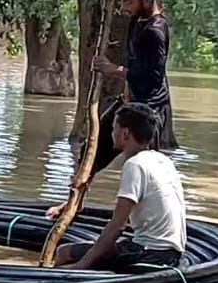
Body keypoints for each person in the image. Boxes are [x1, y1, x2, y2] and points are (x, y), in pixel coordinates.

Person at [48, 0, 176, 218]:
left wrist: (111, 69)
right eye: (122, 1)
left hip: (150, 111)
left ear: (148, 1)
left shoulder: (155, 33)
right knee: (89, 152)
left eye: (128, 2)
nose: (124, 7)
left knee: (146, 169)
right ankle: (72, 205)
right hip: (127, 102)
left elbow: (150, 77)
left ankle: (150, 222)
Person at [54, 104, 186, 272]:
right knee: (100, 249)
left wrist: (82, 264)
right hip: (172, 253)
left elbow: (118, 225)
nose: (111, 132)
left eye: (114, 127)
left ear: (125, 133)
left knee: (64, 252)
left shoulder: (134, 165)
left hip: (149, 254)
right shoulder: (164, 161)